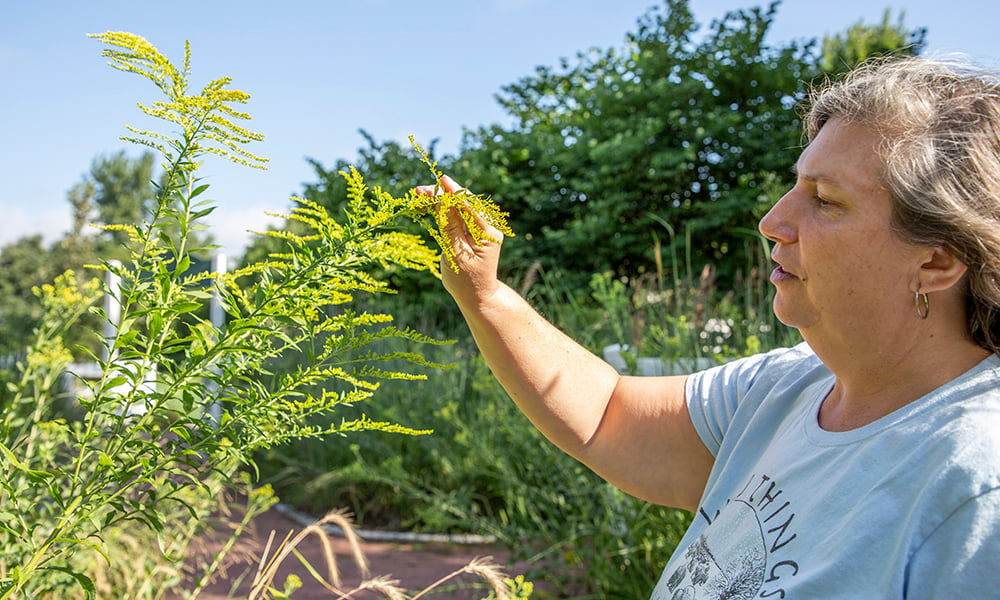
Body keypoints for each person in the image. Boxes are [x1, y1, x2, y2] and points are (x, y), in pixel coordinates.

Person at [415, 56, 1000, 598]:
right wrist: (485, 295)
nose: (773, 221)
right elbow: (608, 414)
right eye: (796, 185)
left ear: (937, 260)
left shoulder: (975, 485)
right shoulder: (784, 388)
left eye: (824, 200)